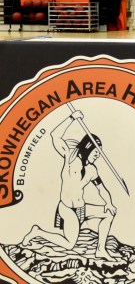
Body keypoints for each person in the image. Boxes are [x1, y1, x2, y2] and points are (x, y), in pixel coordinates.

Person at [23, 110, 117, 259]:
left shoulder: (92, 170)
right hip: (67, 209)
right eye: (96, 151)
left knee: (109, 213)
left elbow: (101, 189)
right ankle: (37, 232)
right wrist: (72, 118)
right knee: (68, 244)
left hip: (82, 208)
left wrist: (109, 203)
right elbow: (55, 135)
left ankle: (101, 250)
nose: (98, 155)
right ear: (88, 147)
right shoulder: (70, 156)